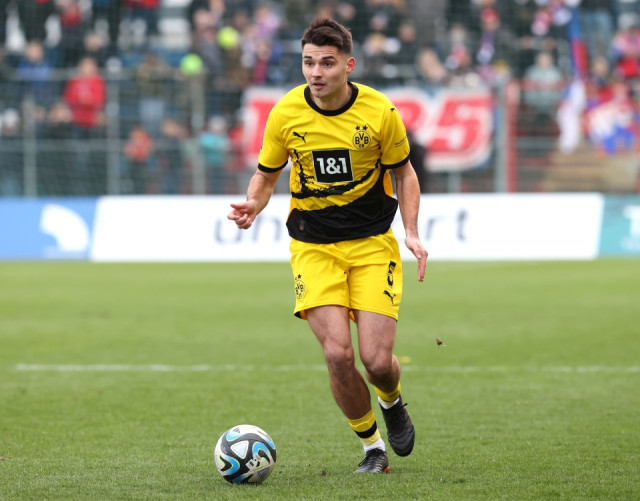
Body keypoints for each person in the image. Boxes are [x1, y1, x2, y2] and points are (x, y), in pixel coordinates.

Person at [227, 17, 427, 474]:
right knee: (337, 353)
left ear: (348, 66)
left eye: (327, 63)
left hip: (372, 244)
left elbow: (405, 174)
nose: (316, 72)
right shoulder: (285, 113)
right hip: (313, 246)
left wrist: (412, 231)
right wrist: (254, 204)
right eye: (308, 62)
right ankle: (372, 448)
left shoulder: (379, 111)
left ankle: (392, 400)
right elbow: (266, 174)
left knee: (376, 361)